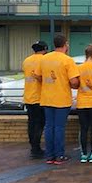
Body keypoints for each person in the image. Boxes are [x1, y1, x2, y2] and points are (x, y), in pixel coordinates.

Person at [35, 34, 79, 164]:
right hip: (62, 99)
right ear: (65, 44)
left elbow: (37, 76)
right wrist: (74, 84)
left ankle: (50, 156)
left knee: (49, 126)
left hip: (47, 98)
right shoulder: (67, 60)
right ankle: (59, 155)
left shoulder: (44, 59)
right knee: (59, 127)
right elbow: (74, 81)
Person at [23, 40, 48, 159]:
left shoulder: (26, 60)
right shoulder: (43, 60)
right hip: (39, 97)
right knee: (39, 123)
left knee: (31, 123)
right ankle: (36, 148)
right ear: (45, 49)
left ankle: (33, 146)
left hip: (28, 96)